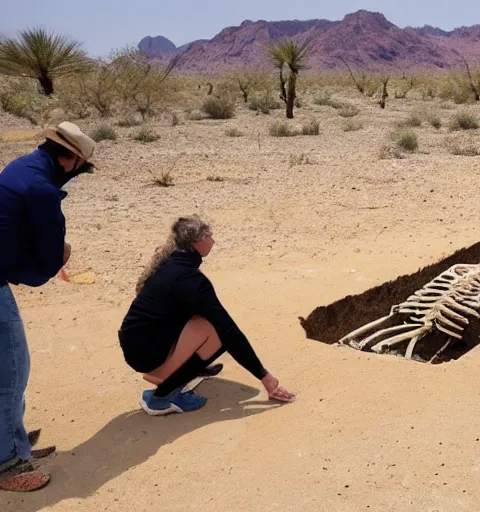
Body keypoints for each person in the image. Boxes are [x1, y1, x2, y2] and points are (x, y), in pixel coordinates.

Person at [0, 122, 97, 492]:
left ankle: (14, 441)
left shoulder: (21, 165)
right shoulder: (43, 190)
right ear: (70, 159)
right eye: (81, 168)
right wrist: (61, 257)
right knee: (12, 367)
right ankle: (8, 461)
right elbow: (47, 261)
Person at [118, 215, 296, 416]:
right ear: (197, 242)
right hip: (146, 354)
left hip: (136, 344)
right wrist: (266, 378)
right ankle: (162, 397)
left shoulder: (170, 264)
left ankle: (181, 370)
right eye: (209, 236)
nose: (213, 240)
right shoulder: (190, 279)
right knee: (219, 335)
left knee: (203, 319)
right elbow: (229, 330)